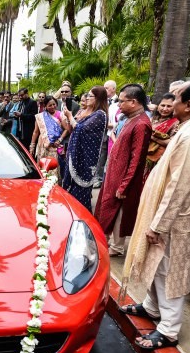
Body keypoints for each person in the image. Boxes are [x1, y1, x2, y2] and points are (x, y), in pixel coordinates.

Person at [120, 78, 190, 350]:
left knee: (168, 271)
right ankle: (153, 308)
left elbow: (179, 186)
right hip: (171, 214)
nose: (170, 102)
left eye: (176, 99)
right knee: (157, 265)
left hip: (175, 219)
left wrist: (159, 224)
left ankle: (168, 329)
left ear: (188, 105)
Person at [94, 84, 152, 256]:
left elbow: (137, 159)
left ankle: (117, 247)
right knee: (108, 208)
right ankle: (106, 241)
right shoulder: (131, 119)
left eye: (121, 101)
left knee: (118, 212)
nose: (118, 105)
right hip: (114, 174)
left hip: (123, 179)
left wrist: (125, 185)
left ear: (133, 102)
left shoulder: (141, 124)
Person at [62, 86, 108, 211]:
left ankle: (83, 218)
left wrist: (71, 117)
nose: (87, 98)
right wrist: (68, 118)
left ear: (98, 98)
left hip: (85, 159)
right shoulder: (84, 111)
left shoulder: (100, 114)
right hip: (75, 153)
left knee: (80, 194)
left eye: (90, 96)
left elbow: (81, 130)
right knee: (70, 190)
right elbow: (71, 129)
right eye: (87, 95)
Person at [144, 93, 179, 182]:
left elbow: (172, 142)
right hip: (145, 158)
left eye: (169, 106)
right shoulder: (153, 119)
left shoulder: (176, 123)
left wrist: (153, 137)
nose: (165, 109)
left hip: (160, 161)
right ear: (158, 106)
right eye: (162, 105)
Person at [29, 96, 66, 177]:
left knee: (54, 167)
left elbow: (67, 129)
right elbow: (35, 132)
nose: (53, 107)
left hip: (55, 145)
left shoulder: (60, 115)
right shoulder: (40, 116)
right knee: (42, 166)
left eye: (54, 104)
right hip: (42, 145)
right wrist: (32, 146)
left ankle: (54, 185)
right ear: (45, 106)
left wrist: (59, 140)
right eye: (50, 105)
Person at [95, 80, 119, 187]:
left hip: (114, 134)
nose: (104, 90)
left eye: (106, 88)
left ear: (113, 89)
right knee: (100, 157)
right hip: (102, 134)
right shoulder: (101, 101)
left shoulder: (119, 101)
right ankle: (98, 179)